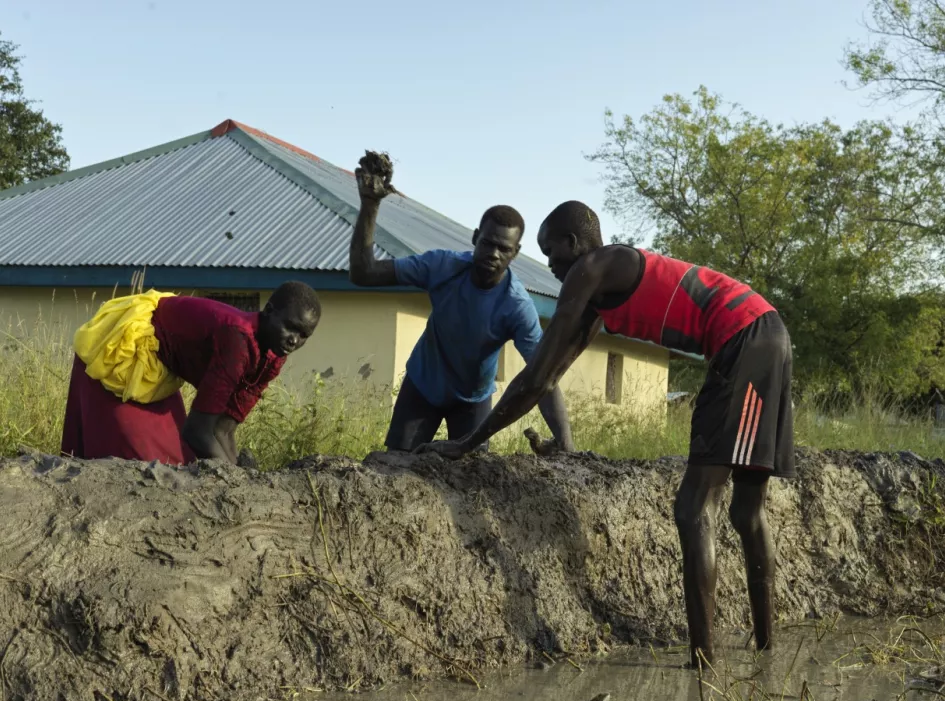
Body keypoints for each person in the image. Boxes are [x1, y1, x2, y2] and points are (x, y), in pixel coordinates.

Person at [418, 201, 794, 667]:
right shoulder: (603, 289)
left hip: (742, 338)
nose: (551, 265)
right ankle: (766, 654)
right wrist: (564, 442)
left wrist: (467, 442)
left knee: (693, 508)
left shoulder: (591, 267)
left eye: (551, 251)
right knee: (745, 510)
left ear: (574, 244)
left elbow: (534, 378)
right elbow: (551, 375)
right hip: (768, 331)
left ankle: (704, 665)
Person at [348, 156, 573, 452]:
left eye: (503, 248)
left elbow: (543, 376)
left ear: (514, 253)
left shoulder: (516, 306)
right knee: (395, 467)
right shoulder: (442, 266)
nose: (493, 253)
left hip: (473, 400)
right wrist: (370, 204)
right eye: (488, 243)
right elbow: (364, 273)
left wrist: (567, 447)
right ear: (476, 237)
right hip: (423, 386)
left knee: (471, 479)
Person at [61, 282, 321, 465]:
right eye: (290, 327)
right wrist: (233, 480)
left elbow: (224, 428)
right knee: (137, 462)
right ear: (269, 312)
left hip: (159, 369)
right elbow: (197, 431)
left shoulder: (273, 357)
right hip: (124, 356)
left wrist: (239, 480)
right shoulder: (237, 340)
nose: (293, 341)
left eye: (303, 336)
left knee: (176, 462)